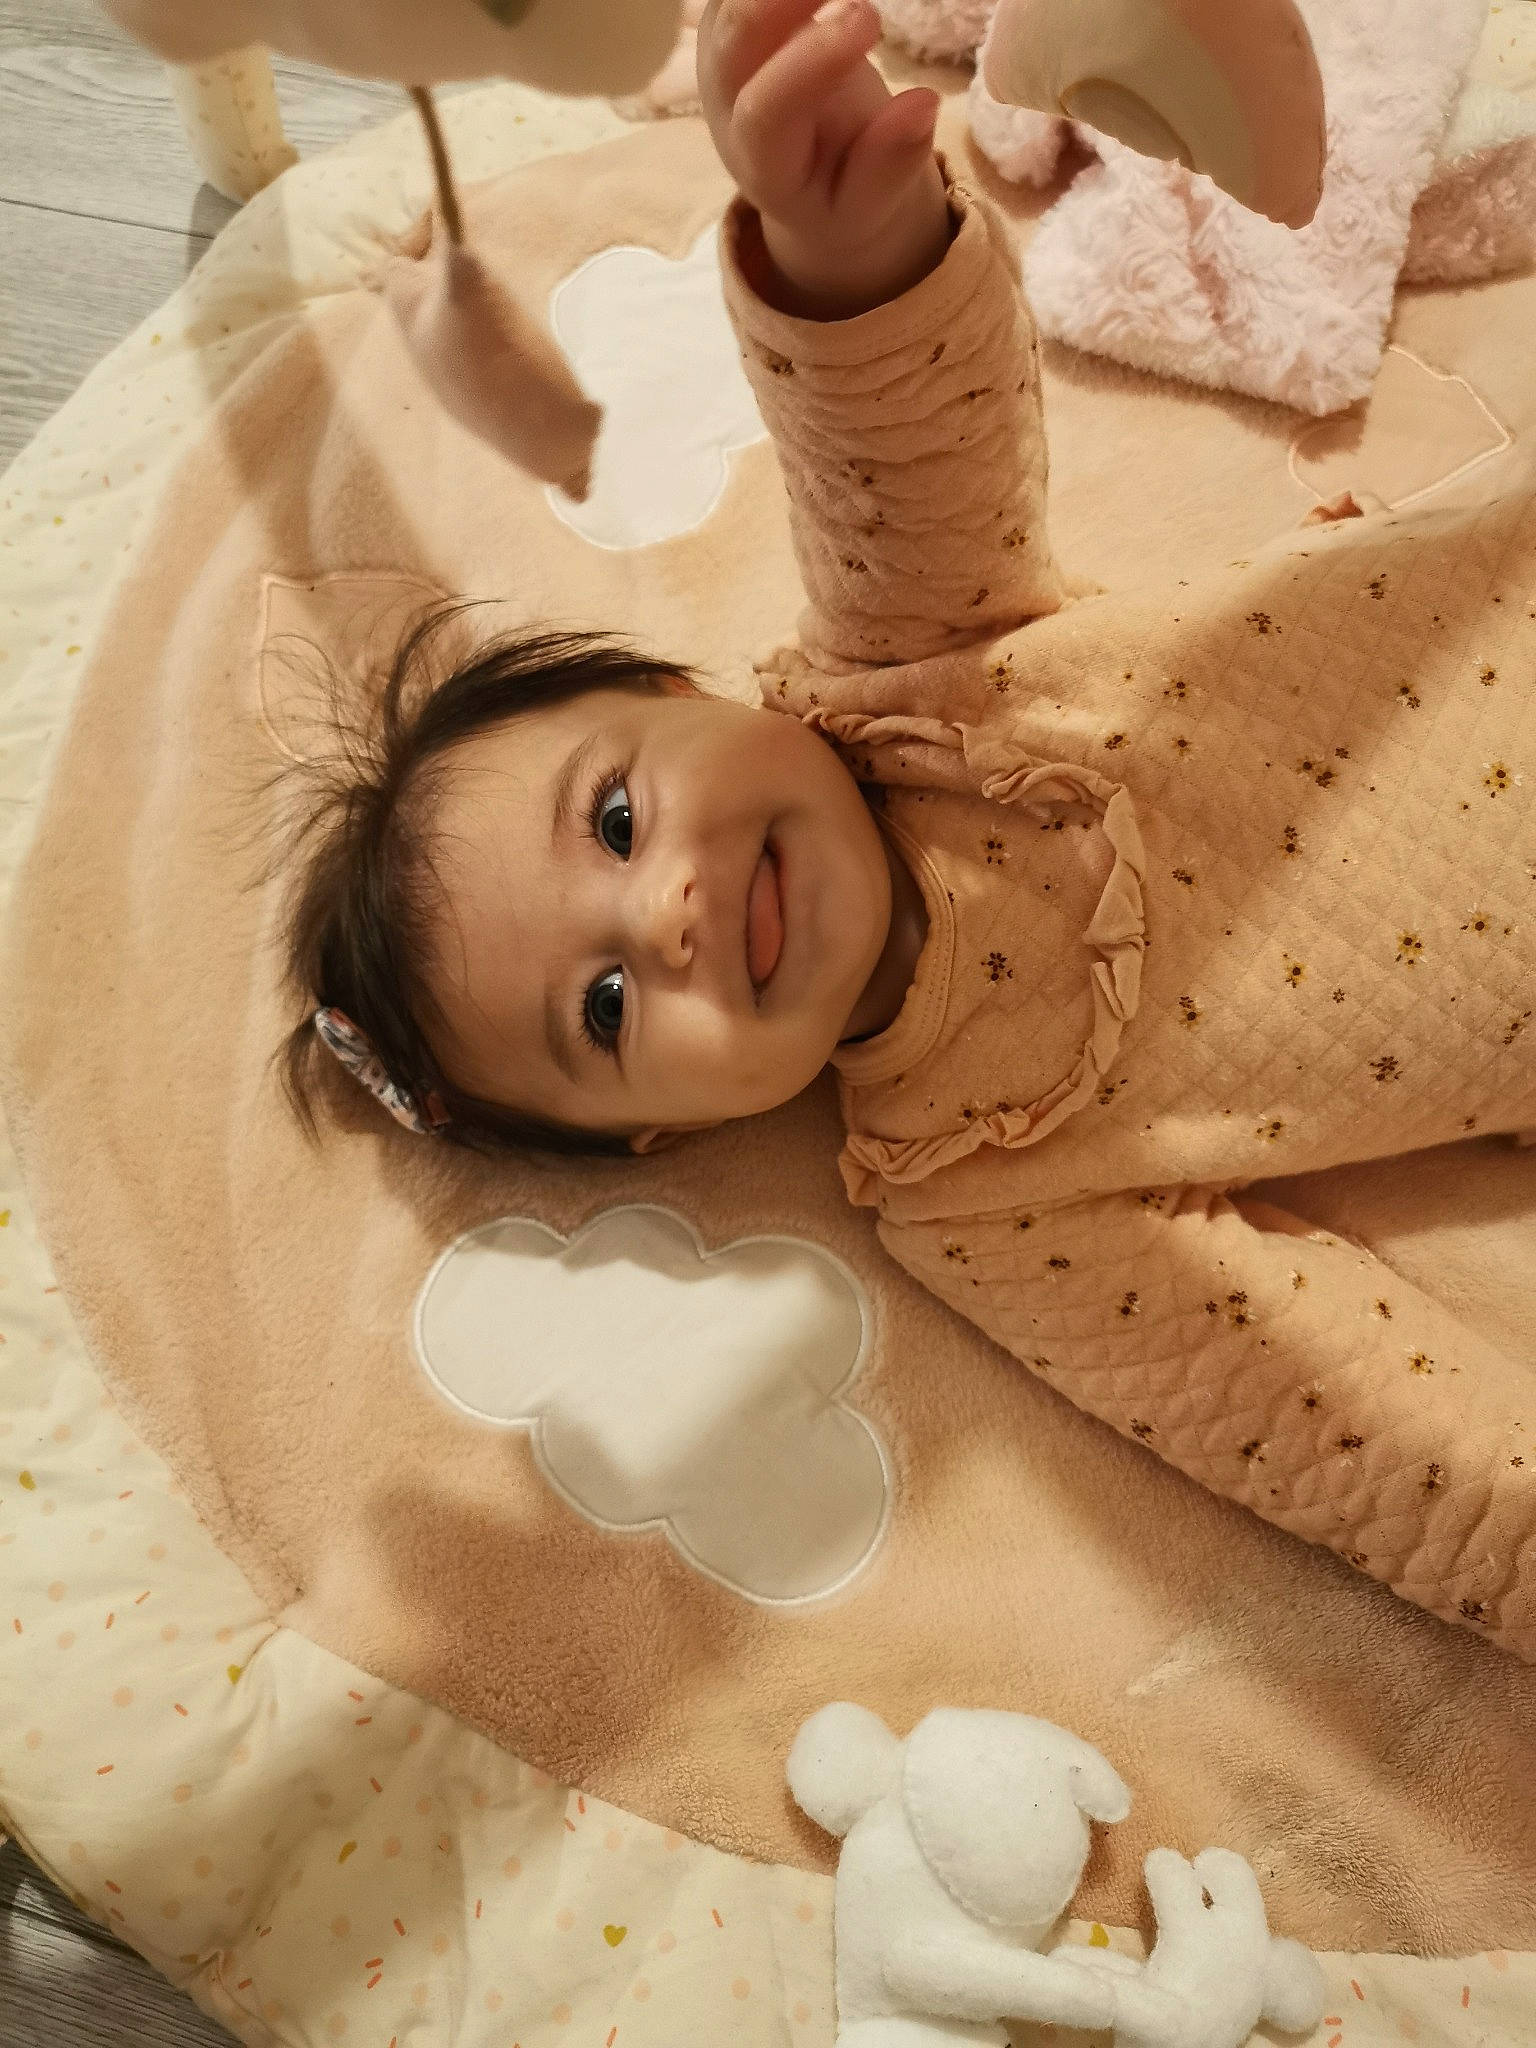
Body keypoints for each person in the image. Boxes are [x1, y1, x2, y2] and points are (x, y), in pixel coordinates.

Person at [285, 0, 1536, 1646]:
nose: (657, 917)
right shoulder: (982, 1195)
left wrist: (837, 246)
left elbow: (893, 442)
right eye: (601, 1011)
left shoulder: (918, 666)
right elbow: (1336, 1418)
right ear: (663, 1134)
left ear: (682, 688)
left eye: (613, 819)